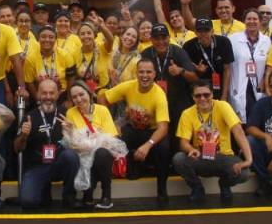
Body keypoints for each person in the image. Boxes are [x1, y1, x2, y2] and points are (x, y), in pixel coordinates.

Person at [99, 59, 172, 202]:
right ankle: (107, 191)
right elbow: (102, 97)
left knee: (164, 148)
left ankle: (162, 190)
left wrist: (148, 145)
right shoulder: (128, 86)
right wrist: (111, 123)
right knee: (110, 141)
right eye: (141, 72)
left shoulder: (159, 95)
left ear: (154, 74)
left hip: (153, 132)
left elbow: (163, 128)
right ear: (136, 73)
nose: (145, 75)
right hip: (132, 129)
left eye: (148, 72)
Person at [173, 81, 253, 202]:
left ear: (212, 94)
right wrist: (191, 150)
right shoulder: (187, 113)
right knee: (179, 159)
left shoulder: (223, 106)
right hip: (200, 157)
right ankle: (197, 188)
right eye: (198, 96)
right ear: (192, 97)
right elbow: (183, 142)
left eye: (206, 95)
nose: (202, 98)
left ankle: (225, 185)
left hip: (223, 157)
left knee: (244, 173)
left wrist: (248, 160)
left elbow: (238, 131)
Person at [14, 79, 80, 209]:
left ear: (58, 94)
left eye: (51, 93)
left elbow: (78, 144)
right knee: (28, 202)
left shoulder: (67, 114)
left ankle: (69, 197)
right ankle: (44, 191)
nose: (48, 97)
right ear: (38, 94)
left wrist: (72, 132)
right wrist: (24, 136)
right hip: (37, 166)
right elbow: (17, 149)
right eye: (44, 93)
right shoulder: (29, 117)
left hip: (59, 164)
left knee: (71, 156)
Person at [60, 80, 125, 209]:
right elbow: (70, 143)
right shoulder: (70, 113)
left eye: (81, 94)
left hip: (101, 154)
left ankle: (106, 194)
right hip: (82, 156)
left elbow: (112, 138)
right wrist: (71, 132)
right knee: (76, 156)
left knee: (102, 153)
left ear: (89, 94)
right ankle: (87, 192)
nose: (78, 99)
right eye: (74, 97)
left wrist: (91, 142)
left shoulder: (102, 110)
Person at [140, 24, 197, 136]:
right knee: (159, 140)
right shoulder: (145, 54)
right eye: (157, 38)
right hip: (154, 103)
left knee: (178, 138)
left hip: (178, 103)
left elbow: (194, 78)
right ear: (151, 39)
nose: (161, 42)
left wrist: (181, 71)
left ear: (169, 38)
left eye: (164, 38)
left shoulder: (179, 52)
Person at [226, 8, 272, 123]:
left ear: (260, 21)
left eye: (255, 19)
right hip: (240, 85)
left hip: (258, 86)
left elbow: (269, 65)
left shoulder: (267, 41)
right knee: (241, 120)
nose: (252, 21)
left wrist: (263, 82)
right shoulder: (233, 39)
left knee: (258, 118)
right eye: (249, 19)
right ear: (244, 21)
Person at [183, 18, 234, 102]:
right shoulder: (188, 46)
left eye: (206, 30)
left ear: (212, 31)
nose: (203, 34)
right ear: (195, 32)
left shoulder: (224, 42)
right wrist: (198, 71)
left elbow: (227, 70)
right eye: (200, 31)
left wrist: (224, 96)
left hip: (220, 86)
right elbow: (188, 74)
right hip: (199, 89)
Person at [23, 25, 76, 97]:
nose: (47, 40)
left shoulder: (65, 55)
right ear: (38, 39)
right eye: (43, 37)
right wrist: (37, 98)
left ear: (55, 40)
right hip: (42, 96)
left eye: (51, 37)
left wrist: (69, 100)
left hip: (62, 95)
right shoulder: (30, 58)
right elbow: (30, 82)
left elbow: (71, 79)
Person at [74, 19, 113, 93]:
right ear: (78, 36)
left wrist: (101, 26)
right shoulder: (75, 53)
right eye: (82, 34)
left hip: (103, 90)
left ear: (94, 35)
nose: (86, 36)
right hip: (84, 91)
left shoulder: (102, 48)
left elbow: (110, 40)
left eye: (89, 33)